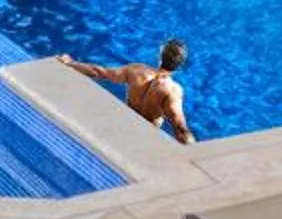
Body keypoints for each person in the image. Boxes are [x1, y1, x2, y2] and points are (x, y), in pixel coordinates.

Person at [58, 39, 196, 143]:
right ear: (179, 66)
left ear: (160, 56)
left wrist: (71, 63)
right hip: (144, 140)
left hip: (122, 129)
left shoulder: (135, 70)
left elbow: (98, 72)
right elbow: (180, 128)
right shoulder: (172, 90)